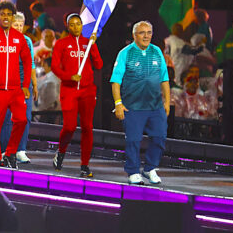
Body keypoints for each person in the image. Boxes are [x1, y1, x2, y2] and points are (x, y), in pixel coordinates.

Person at [110, 21, 170, 185]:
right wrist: (118, 103)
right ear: (134, 35)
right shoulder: (125, 53)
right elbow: (116, 81)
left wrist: (167, 102)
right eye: (142, 33)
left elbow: (164, 79)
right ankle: (133, 171)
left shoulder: (157, 51)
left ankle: (150, 168)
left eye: (149, 32)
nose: (146, 36)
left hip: (155, 106)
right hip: (133, 107)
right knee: (133, 141)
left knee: (159, 137)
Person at [0, 1, 33, 168]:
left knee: (22, 120)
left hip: (15, 89)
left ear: (13, 16)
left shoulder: (20, 38)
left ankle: (10, 153)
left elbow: (27, 60)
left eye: (9, 14)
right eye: (3, 14)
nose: (6, 17)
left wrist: (26, 85)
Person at [51, 13, 103, 178]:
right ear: (67, 26)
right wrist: (69, 76)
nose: (76, 27)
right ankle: (61, 151)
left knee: (87, 127)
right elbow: (54, 67)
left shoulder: (88, 43)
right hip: (69, 90)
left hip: (87, 90)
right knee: (70, 127)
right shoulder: (61, 44)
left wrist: (93, 46)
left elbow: (99, 64)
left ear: (82, 26)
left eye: (78, 24)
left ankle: (85, 164)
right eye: (72, 24)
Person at [0, 11, 37, 163]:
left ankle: (21, 150)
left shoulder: (27, 41)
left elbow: (31, 64)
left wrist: (34, 84)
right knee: (8, 118)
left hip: (24, 86)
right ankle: (5, 151)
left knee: (25, 118)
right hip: (8, 85)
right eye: (16, 25)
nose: (19, 28)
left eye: (21, 25)